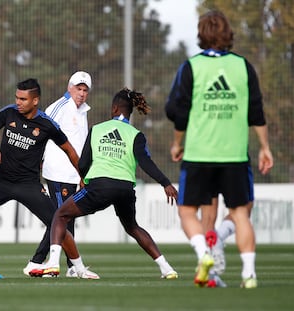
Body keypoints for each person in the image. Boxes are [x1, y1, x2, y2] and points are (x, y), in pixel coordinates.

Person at [166, 10, 273, 289]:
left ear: (201, 35)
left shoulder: (192, 67)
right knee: (241, 213)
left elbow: (179, 111)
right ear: (228, 34)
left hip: (199, 153)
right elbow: (256, 111)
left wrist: (177, 143)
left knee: (189, 212)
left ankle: (205, 256)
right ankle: (249, 274)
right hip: (235, 155)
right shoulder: (243, 66)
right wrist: (264, 147)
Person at [34, 87, 179, 279]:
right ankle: (166, 268)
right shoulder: (136, 135)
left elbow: (84, 162)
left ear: (115, 109)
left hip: (99, 187)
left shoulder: (97, 129)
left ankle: (53, 263)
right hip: (125, 188)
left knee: (60, 215)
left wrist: (84, 179)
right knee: (133, 227)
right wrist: (166, 183)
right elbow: (146, 163)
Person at [0, 78, 93, 278]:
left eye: (23, 99)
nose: (18, 102)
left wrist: (82, 175)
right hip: (2, 180)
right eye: (17, 97)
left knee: (58, 222)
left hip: (29, 185)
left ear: (35, 101)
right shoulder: (8, 113)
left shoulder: (47, 124)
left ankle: (79, 268)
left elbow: (70, 151)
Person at [23, 71, 98, 279]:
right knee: (60, 218)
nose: (81, 93)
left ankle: (69, 265)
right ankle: (37, 262)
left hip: (73, 175)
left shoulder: (82, 111)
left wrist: (83, 173)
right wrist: (34, 162)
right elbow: (40, 130)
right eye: (78, 88)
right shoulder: (60, 107)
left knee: (66, 217)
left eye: (85, 90)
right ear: (69, 87)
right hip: (57, 172)